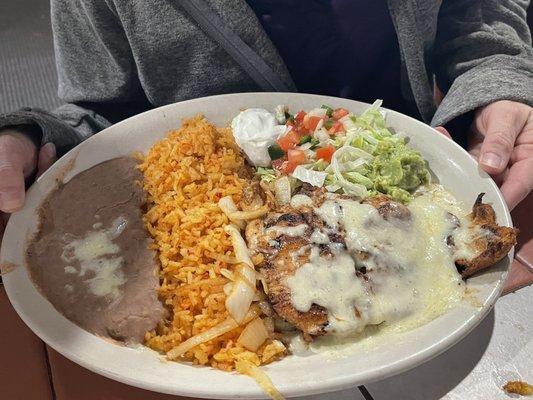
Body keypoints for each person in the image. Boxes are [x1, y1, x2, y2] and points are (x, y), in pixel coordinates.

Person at [0, 0, 532, 243]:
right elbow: (105, 111)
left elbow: (481, 14)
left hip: (428, 192)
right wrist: (33, 137)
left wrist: (498, 84)